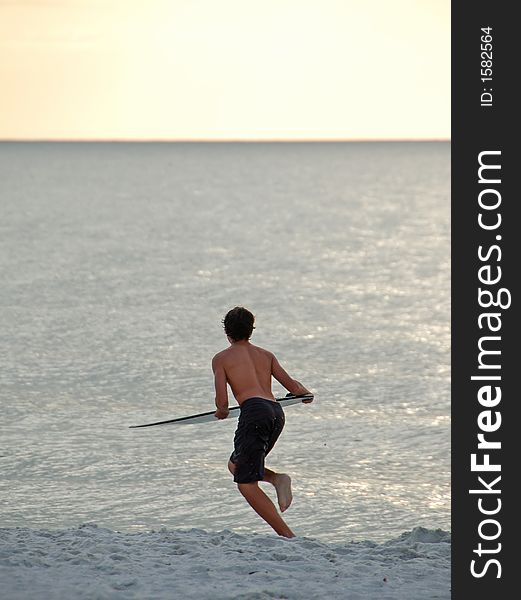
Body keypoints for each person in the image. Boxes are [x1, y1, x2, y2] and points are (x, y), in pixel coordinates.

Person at [211, 306, 312, 538]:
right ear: (251, 331)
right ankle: (276, 479)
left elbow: (223, 402)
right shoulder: (266, 355)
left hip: (254, 414)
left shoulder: (221, 358)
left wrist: (221, 411)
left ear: (227, 332)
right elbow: (294, 387)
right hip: (276, 413)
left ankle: (288, 537)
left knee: (246, 484)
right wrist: (306, 394)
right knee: (236, 465)